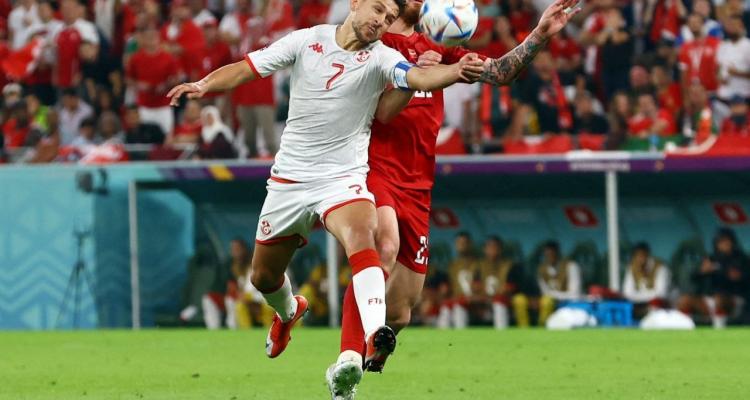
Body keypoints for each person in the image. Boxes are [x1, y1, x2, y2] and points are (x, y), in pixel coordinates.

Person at [166, 1, 485, 398]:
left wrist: (454, 70)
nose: (380, 21)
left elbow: (417, 76)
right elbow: (249, 67)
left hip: (344, 178)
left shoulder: (383, 57)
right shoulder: (307, 40)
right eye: (377, 9)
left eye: (388, 18)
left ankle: (371, 335)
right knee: (263, 277)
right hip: (290, 180)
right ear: (355, 3)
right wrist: (203, 85)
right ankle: (288, 311)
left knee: (366, 241)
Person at [336, 0, 581, 385]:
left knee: (399, 313)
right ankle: (347, 360)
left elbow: (500, 73)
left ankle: (371, 346)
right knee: (384, 245)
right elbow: (374, 108)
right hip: (374, 168)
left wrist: (540, 33)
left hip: (418, 185)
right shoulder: (374, 43)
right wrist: (418, 74)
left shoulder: (439, 50)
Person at [678, 228, 749, 328]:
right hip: (711, 298)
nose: (724, 244)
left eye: (726, 240)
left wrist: (737, 276)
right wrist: (702, 272)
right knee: (684, 300)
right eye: (720, 241)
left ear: (732, 242)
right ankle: (685, 331)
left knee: (719, 299)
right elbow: (693, 277)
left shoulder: (742, 258)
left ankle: (719, 330)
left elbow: (745, 279)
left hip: (734, 300)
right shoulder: (711, 258)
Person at [622, 242, 670, 319]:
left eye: (642, 255)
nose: (640, 259)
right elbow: (627, 293)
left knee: (655, 305)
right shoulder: (632, 268)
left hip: (663, 306)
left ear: (648, 255)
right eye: (637, 256)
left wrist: (638, 296)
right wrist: (643, 298)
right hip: (639, 305)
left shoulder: (660, 268)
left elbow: (661, 294)